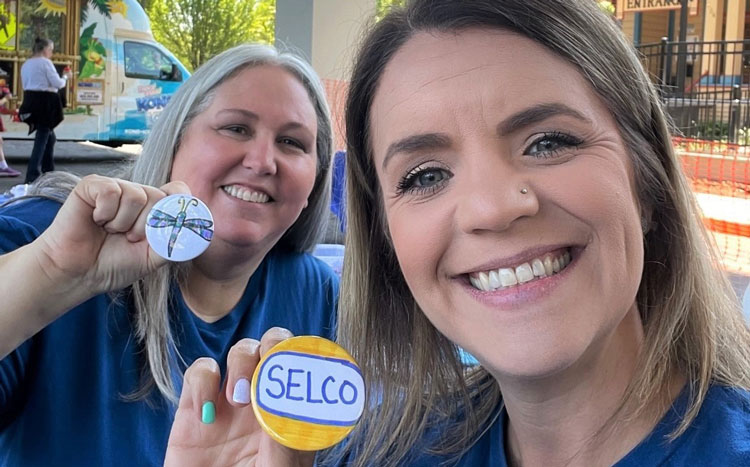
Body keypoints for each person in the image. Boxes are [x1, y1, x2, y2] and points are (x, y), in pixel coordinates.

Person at [165, 0, 750, 466]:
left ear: (646, 182)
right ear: (389, 244)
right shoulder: (382, 456)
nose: (490, 209)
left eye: (548, 142)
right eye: (426, 176)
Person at [0, 42, 337, 466]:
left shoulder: (317, 294)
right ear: (175, 141)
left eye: (291, 142)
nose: (263, 161)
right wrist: (50, 272)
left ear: (314, 184)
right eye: (236, 128)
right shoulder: (53, 232)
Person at [18, 37, 71, 184]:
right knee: (42, 138)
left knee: (49, 137)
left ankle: (48, 170)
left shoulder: (26, 64)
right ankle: (32, 174)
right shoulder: (45, 63)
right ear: (45, 49)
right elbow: (57, 83)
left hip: (30, 101)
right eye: (51, 49)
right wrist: (66, 77)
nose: (51, 53)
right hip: (45, 102)